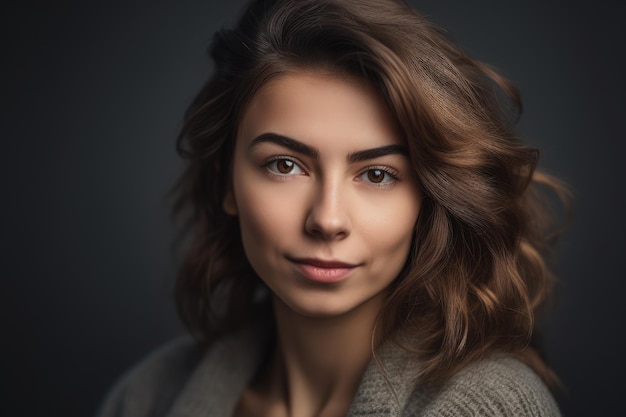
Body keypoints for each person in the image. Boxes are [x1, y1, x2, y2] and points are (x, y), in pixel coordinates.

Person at [97, 0, 569, 416]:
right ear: (226, 180)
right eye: (284, 165)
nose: (327, 220)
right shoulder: (147, 397)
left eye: (378, 174)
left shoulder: (494, 408)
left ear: (428, 197)